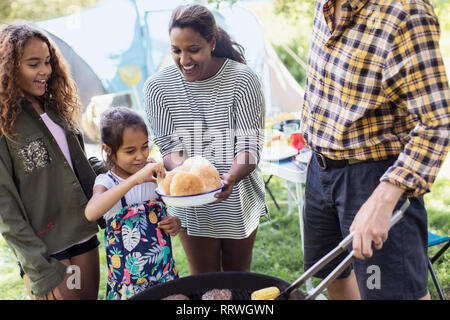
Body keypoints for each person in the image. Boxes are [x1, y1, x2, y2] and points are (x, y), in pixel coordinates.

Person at [301, 0, 449, 299]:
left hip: (375, 179)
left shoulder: (405, 14)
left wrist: (382, 202)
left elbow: (438, 123)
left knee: (389, 293)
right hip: (320, 171)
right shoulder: (326, 4)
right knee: (336, 277)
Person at [143, 4, 267, 275]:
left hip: (237, 195)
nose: (184, 59)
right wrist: (197, 181)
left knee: (237, 279)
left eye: (193, 49)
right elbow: (169, 149)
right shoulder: (158, 88)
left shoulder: (243, 81)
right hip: (190, 197)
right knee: (205, 281)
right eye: (176, 50)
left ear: (211, 42)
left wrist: (228, 178)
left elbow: (249, 149)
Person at [0, 23, 101, 300]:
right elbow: (6, 209)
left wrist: (120, 171)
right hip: (45, 251)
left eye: (47, 62)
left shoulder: (55, 107)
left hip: (83, 233)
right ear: (8, 67)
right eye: (33, 64)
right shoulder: (4, 125)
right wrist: (38, 268)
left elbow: (76, 164)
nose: (45, 71)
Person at [85, 107, 180, 300]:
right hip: (129, 288)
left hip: (164, 276)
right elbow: (91, 212)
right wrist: (134, 180)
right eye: (130, 151)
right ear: (108, 150)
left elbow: (168, 213)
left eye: (144, 147)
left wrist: (174, 223)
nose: (140, 156)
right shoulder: (107, 182)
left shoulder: (155, 176)